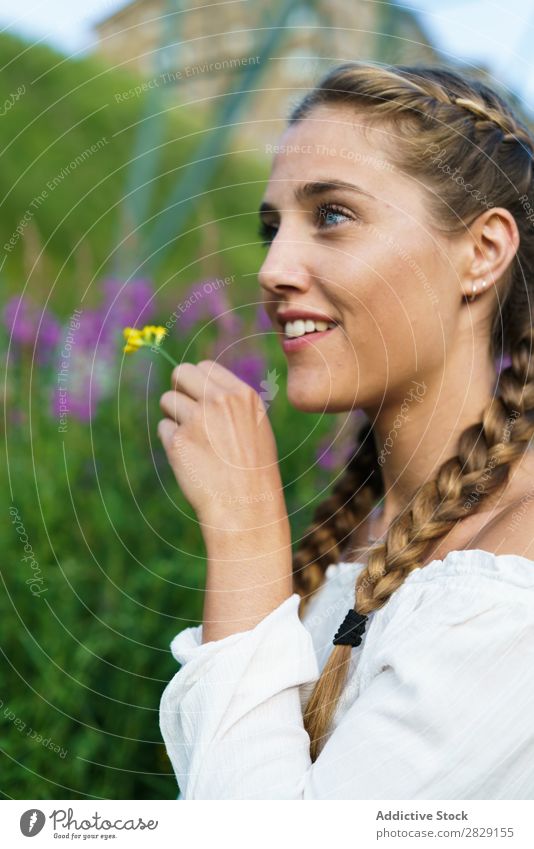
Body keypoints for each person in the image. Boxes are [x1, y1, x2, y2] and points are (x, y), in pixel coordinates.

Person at [157, 61, 534, 799]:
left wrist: (244, 535)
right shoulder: (366, 543)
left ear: (482, 251)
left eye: (331, 214)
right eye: (271, 228)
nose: (271, 267)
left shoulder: (512, 584)